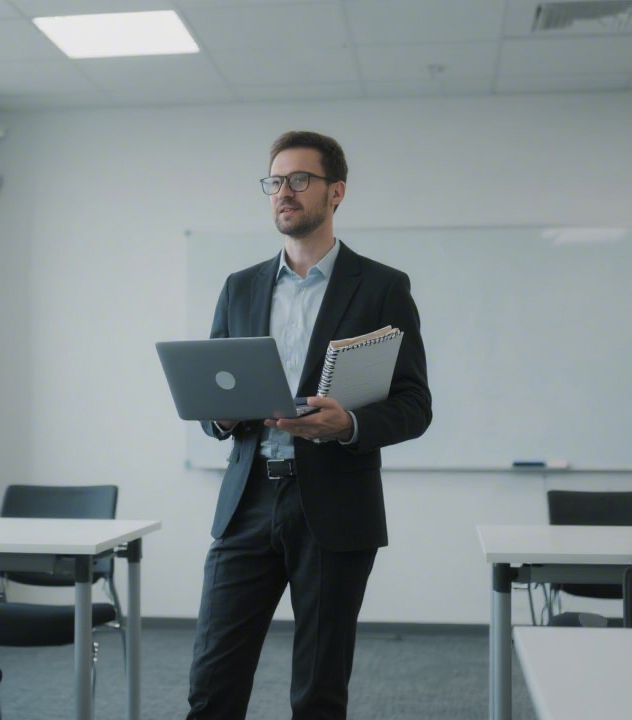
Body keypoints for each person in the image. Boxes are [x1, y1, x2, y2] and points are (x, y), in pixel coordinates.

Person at [187, 130, 432, 719]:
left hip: (333, 505)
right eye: (275, 181)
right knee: (212, 684)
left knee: (319, 692)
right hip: (247, 502)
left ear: (336, 192)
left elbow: (414, 404)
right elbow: (214, 402)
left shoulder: (380, 287)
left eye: (300, 180)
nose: (284, 193)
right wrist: (218, 417)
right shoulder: (240, 287)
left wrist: (347, 423)